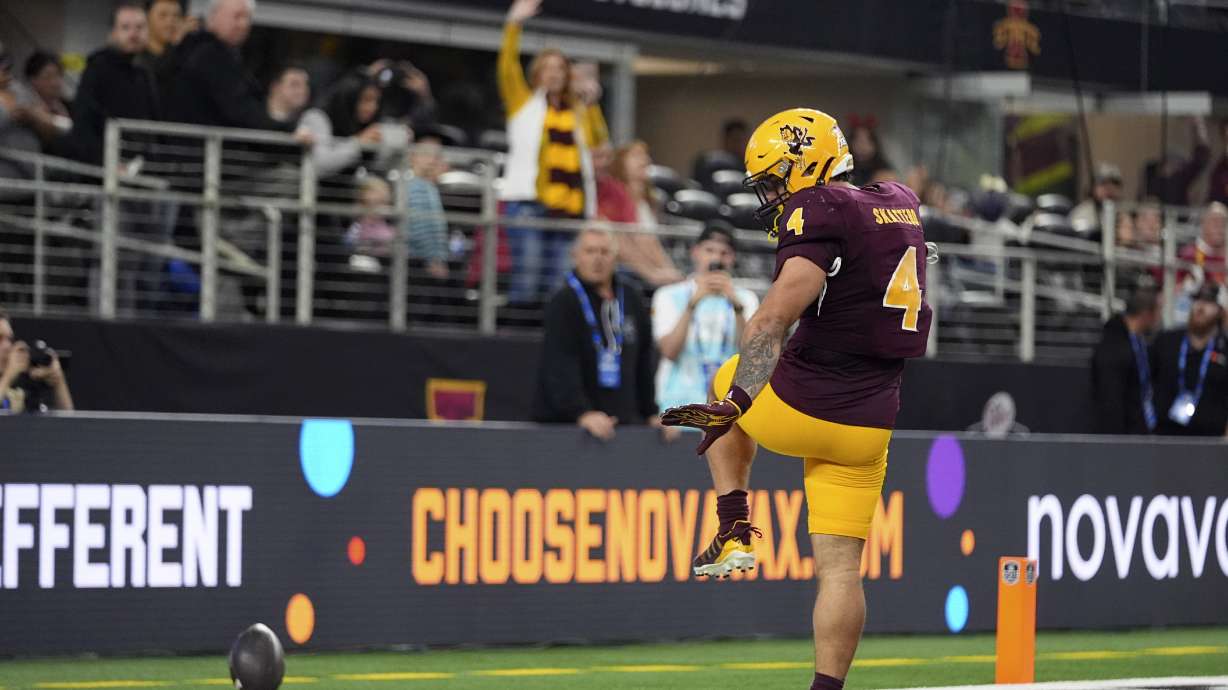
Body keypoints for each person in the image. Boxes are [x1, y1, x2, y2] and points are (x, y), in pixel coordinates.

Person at [662, 108, 932, 690]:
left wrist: (736, 400)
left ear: (805, 163)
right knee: (840, 569)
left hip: (805, 402)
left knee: (723, 379)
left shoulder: (820, 207)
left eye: (775, 180)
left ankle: (733, 526)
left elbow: (771, 319)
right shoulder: (899, 200)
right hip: (872, 423)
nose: (770, 195)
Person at [498, 0, 608, 305]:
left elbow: (598, 141)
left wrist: (592, 104)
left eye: (560, 68)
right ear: (537, 73)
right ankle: (518, 340)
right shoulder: (522, 102)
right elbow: (507, 67)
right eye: (547, 68)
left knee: (559, 287)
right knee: (528, 280)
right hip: (528, 206)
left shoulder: (578, 110)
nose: (554, 74)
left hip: (570, 211)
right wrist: (513, 25)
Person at [532, 227, 658, 440]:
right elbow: (559, 363)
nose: (597, 259)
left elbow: (644, 359)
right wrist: (581, 412)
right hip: (570, 427)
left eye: (604, 251)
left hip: (622, 423)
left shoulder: (632, 297)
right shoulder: (564, 301)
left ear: (615, 256)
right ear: (576, 256)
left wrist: (650, 412)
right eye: (590, 251)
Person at [653, 225, 758, 439]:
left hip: (728, 412)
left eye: (724, 253)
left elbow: (752, 355)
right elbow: (669, 351)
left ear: (732, 258)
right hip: (678, 410)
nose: (716, 258)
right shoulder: (669, 295)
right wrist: (692, 304)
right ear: (696, 252)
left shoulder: (745, 299)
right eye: (709, 250)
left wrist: (736, 307)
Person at [165, 0, 302, 133]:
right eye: (237, 16)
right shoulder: (208, 55)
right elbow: (239, 111)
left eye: (247, 17)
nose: (243, 24)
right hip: (204, 147)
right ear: (214, 16)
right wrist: (285, 130)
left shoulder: (224, 54)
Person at [69, 1, 160, 165]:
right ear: (113, 33)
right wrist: (105, 161)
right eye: (125, 27)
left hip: (138, 165)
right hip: (103, 168)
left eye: (139, 27)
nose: (134, 34)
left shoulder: (144, 73)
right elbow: (84, 124)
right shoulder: (97, 68)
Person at [599, 140, 682, 288]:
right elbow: (622, 242)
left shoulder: (649, 200)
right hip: (623, 268)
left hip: (646, 268)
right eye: (637, 155)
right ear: (621, 161)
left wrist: (669, 271)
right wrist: (651, 273)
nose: (645, 160)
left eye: (645, 155)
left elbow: (651, 242)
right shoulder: (614, 194)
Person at [1151, 282, 1228, 437]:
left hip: (1210, 441)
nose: (1200, 307)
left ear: (1220, 311)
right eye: (1197, 300)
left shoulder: (1224, 348)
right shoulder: (1166, 341)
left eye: (1209, 302)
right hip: (1165, 436)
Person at [1090, 285, 1162, 434]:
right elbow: (1110, 399)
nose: (1159, 318)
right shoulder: (1114, 347)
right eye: (1158, 312)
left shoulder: (1139, 341)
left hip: (1140, 429)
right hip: (1120, 435)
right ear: (1146, 314)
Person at [0, 308, 75, 413]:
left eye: (9, 339)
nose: (7, 346)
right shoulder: (8, 378)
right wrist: (8, 376)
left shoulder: (15, 384)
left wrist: (58, 381)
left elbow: (71, 424)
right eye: (0, 338)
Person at [22, 51, 72, 144]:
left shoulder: (68, 106)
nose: (55, 83)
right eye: (48, 77)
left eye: (58, 76)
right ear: (33, 80)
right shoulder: (26, 106)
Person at [1070, 162, 1123, 234]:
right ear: (1092, 187)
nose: (1110, 189)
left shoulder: (1124, 217)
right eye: (1103, 183)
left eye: (1115, 184)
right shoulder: (1081, 214)